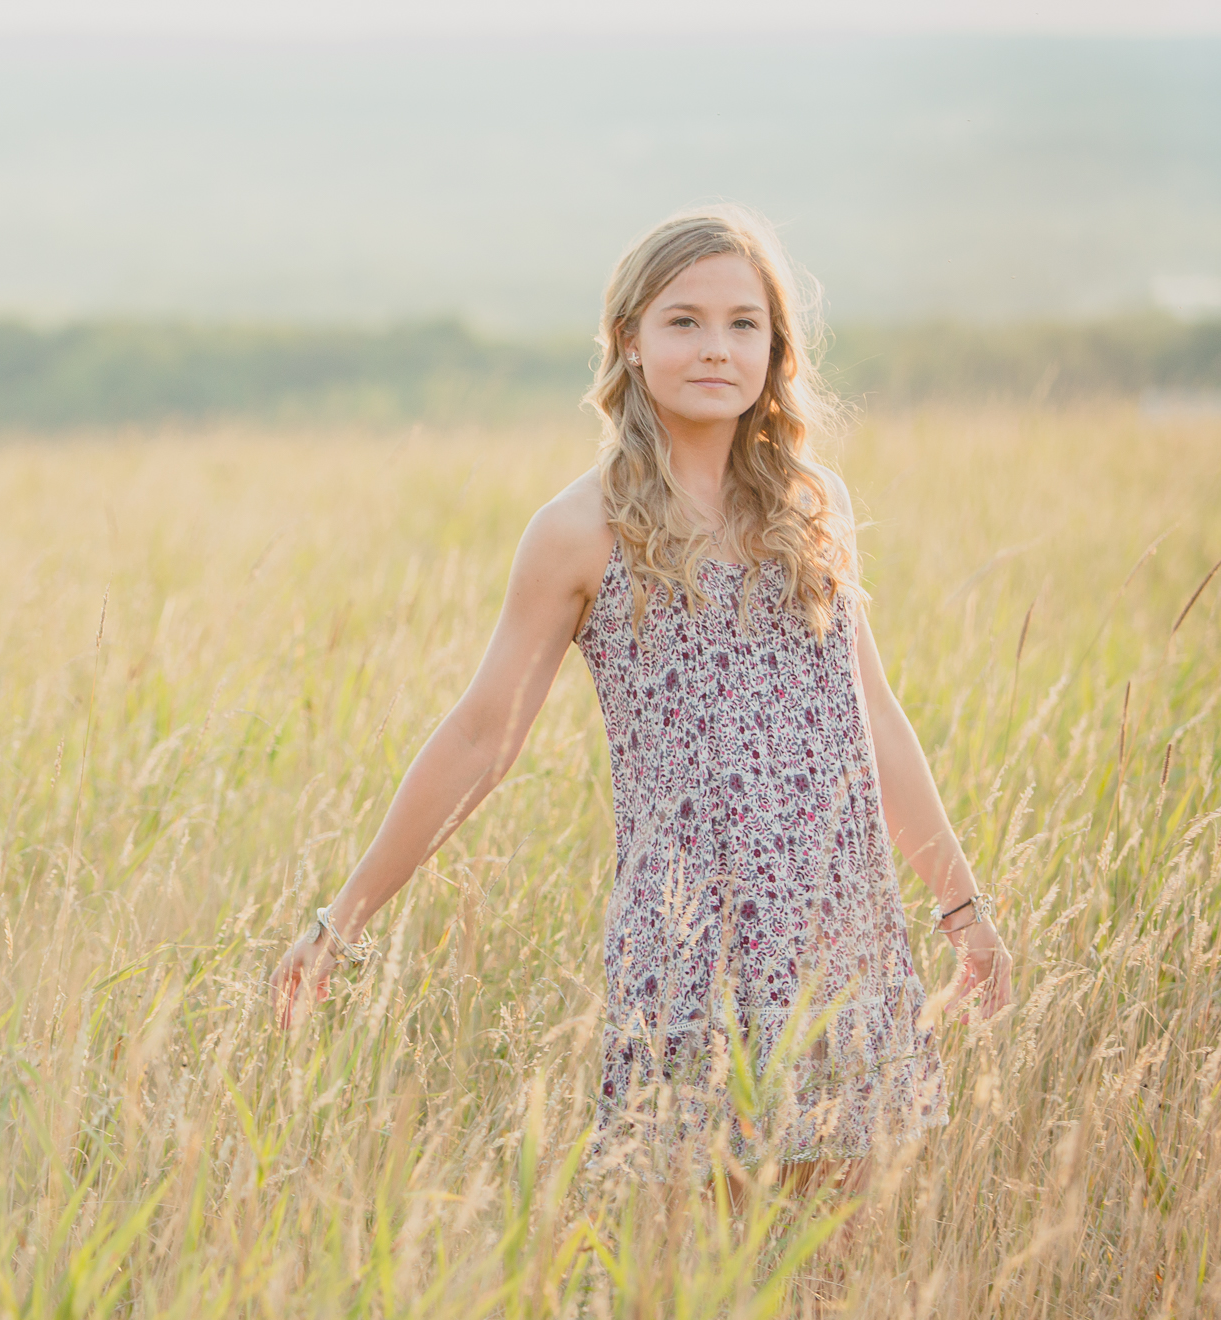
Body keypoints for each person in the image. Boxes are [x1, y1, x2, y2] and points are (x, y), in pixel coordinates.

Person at [268, 206, 1013, 1181]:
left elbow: (871, 718)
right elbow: (482, 738)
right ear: (629, 338)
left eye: (745, 323)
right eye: (685, 321)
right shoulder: (582, 530)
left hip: (840, 926)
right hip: (689, 942)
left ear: (777, 349)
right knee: (701, 1248)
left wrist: (961, 907)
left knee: (836, 1256)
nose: (717, 347)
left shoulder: (812, 505)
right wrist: (344, 919)